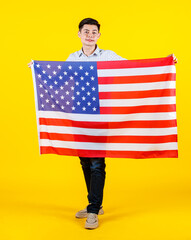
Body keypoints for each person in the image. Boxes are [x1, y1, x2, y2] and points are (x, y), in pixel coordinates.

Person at [28, 17, 178, 230]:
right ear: (79, 34)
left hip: (101, 116)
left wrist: (165, 64)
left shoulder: (109, 56)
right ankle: (95, 204)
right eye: (86, 31)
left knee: (97, 162)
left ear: (99, 35)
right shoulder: (73, 58)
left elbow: (134, 70)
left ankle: (92, 209)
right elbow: (58, 80)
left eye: (94, 32)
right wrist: (37, 69)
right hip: (78, 116)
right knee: (85, 161)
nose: (90, 35)